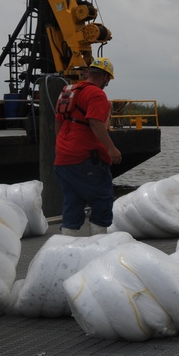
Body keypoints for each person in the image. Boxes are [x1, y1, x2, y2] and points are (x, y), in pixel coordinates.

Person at [53, 57, 122, 236]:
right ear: (104, 77)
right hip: (86, 158)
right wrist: (111, 148)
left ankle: (67, 245)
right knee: (102, 200)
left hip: (63, 159)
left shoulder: (68, 91)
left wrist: (62, 145)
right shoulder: (97, 94)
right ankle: (98, 245)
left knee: (72, 202)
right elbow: (95, 123)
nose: (107, 84)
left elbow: (58, 122)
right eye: (108, 80)